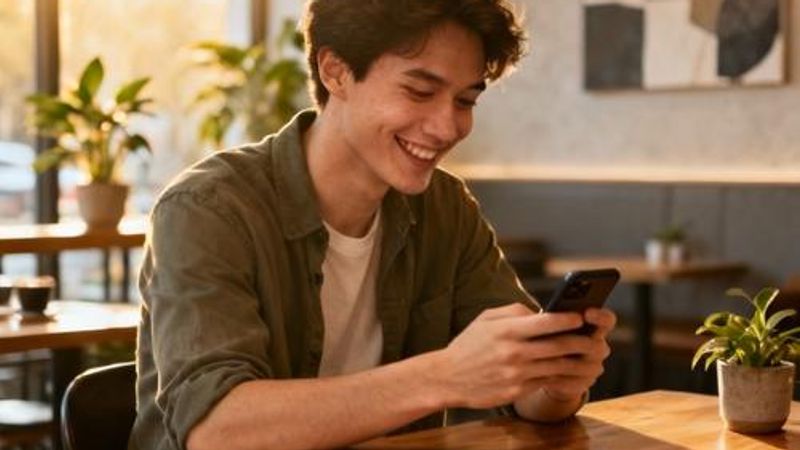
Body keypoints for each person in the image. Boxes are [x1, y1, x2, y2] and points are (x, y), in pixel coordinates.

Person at [129, 1, 616, 449]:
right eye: (420, 91)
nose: (448, 128)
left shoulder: (445, 210)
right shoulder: (207, 210)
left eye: (465, 100)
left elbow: (529, 398)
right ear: (335, 71)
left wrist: (554, 378)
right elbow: (217, 433)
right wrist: (444, 375)